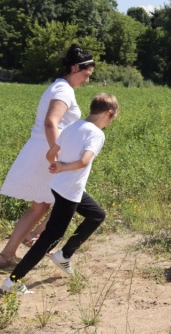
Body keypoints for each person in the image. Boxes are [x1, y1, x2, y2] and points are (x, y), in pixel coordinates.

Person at [1, 93, 119, 294]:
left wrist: (57, 166)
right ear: (108, 113)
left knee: (96, 214)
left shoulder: (72, 126)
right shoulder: (97, 134)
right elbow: (84, 161)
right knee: (49, 237)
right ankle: (12, 282)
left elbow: (50, 154)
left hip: (60, 185)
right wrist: (64, 167)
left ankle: (64, 255)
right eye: (113, 118)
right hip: (69, 191)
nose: (111, 122)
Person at [0, 44, 95, 269]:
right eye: (86, 74)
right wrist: (56, 155)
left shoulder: (60, 87)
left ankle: (8, 254)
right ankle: (31, 242)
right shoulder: (63, 90)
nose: (87, 80)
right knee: (65, 200)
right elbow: (51, 122)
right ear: (75, 68)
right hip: (47, 153)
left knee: (41, 206)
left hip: (43, 150)